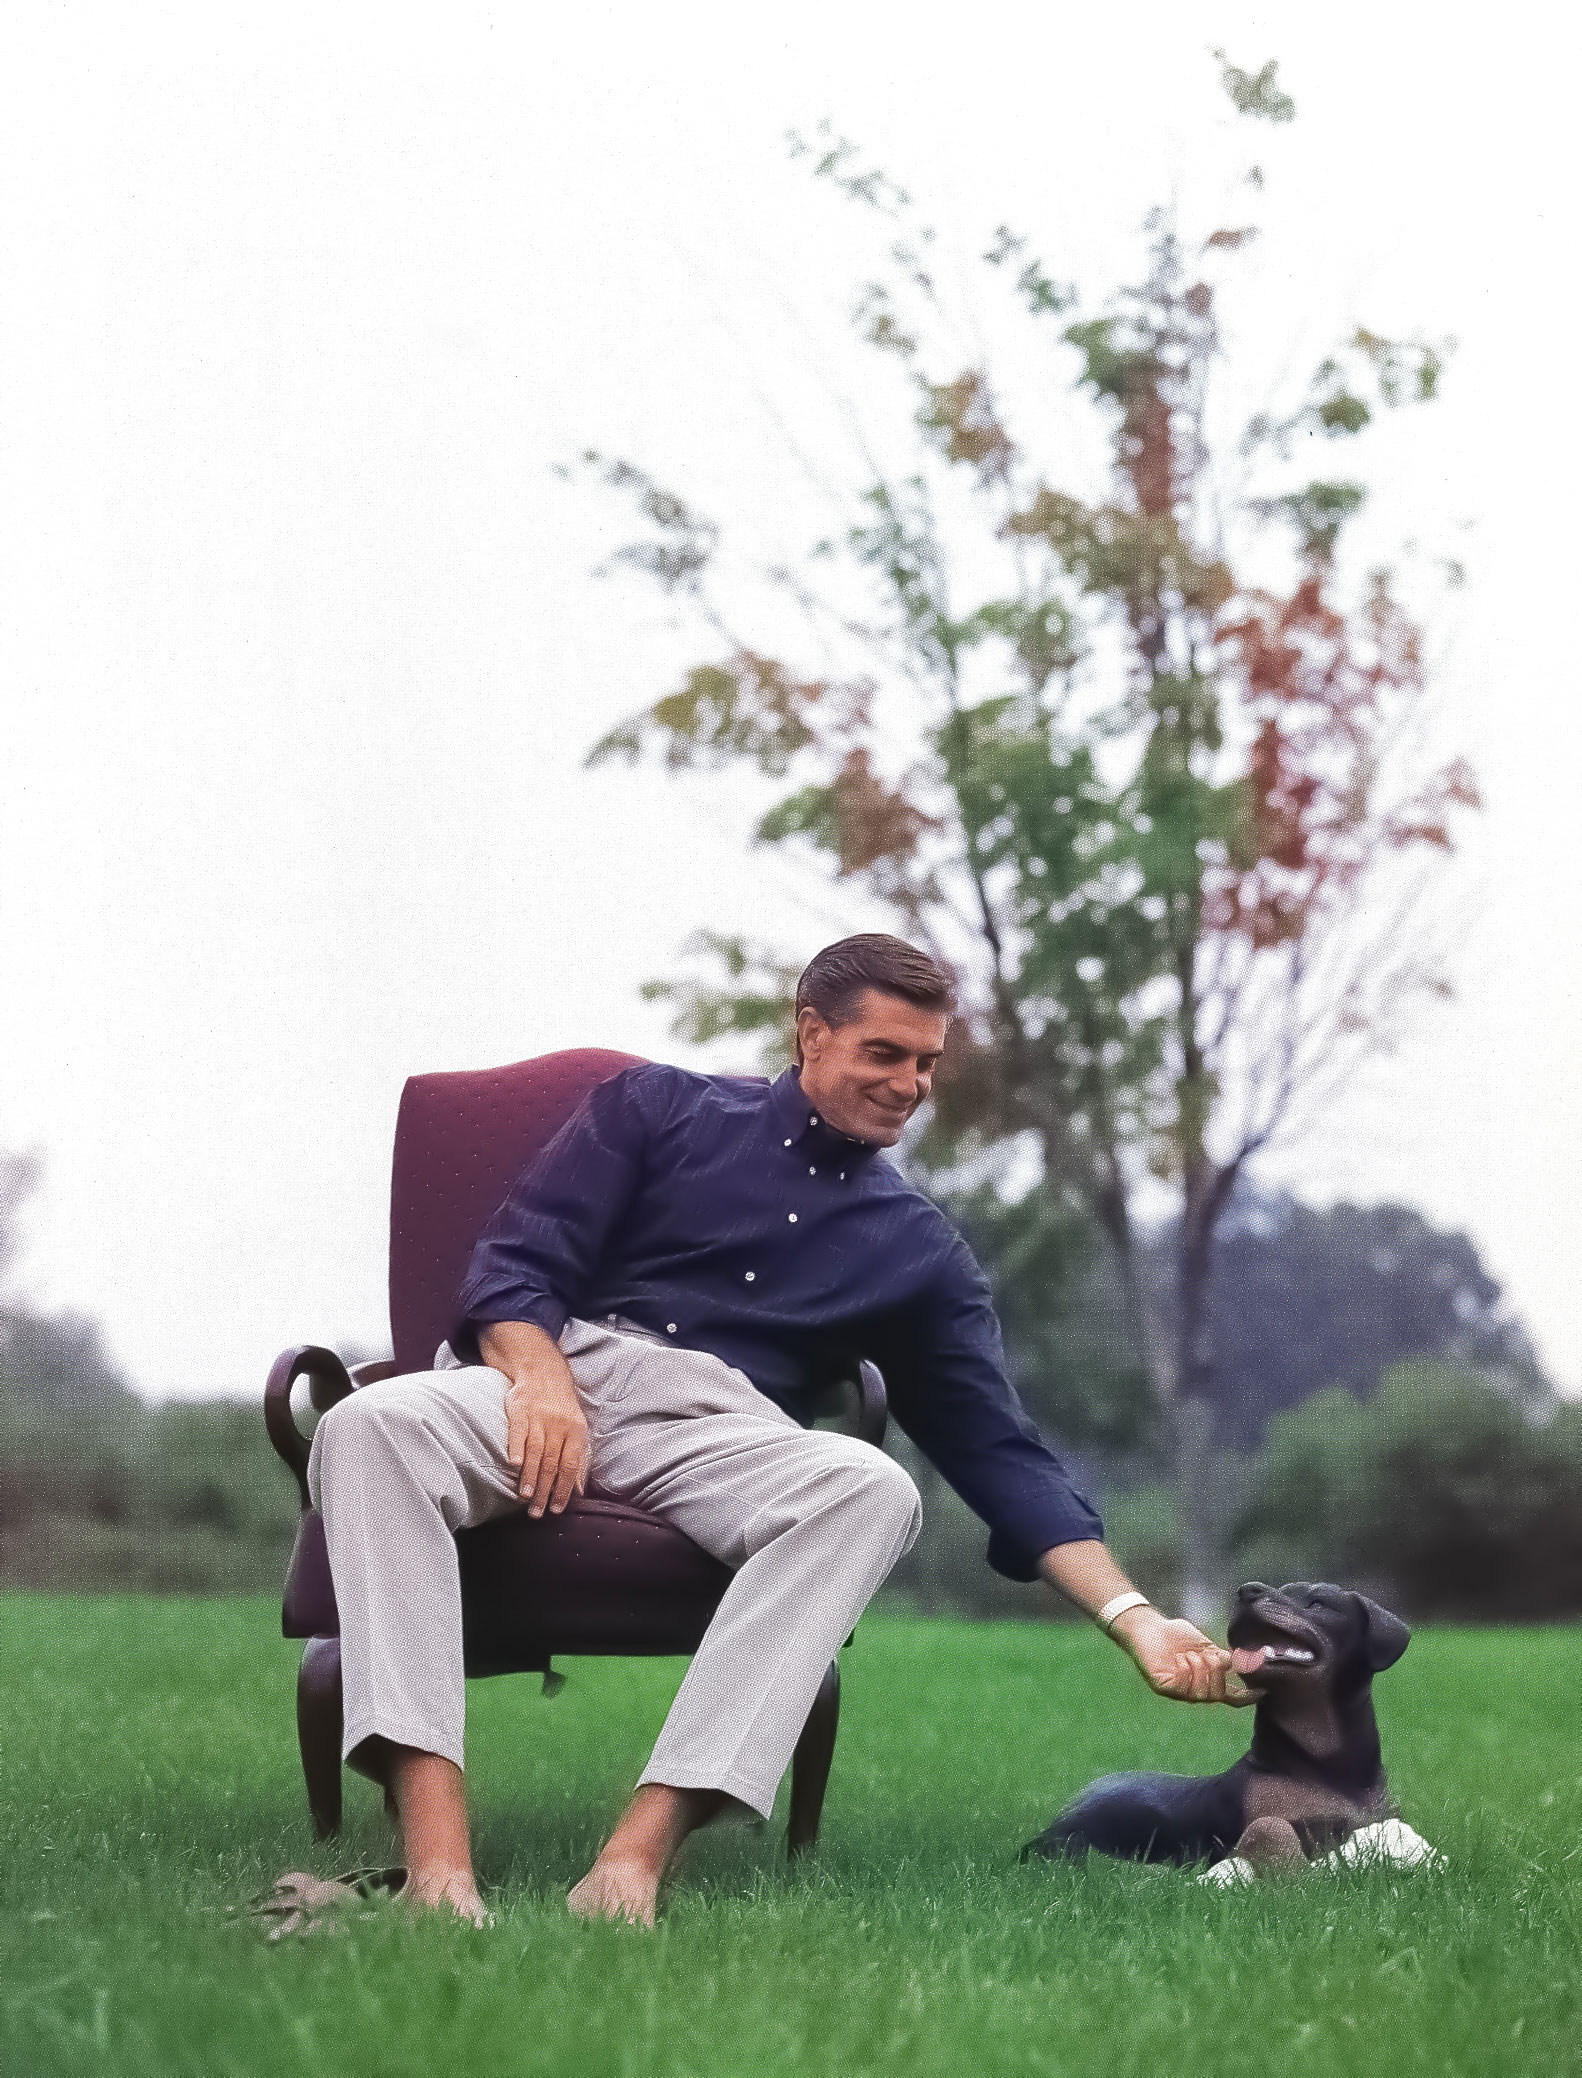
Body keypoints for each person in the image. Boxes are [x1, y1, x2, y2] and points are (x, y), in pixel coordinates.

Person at [308, 934, 1244, 1927]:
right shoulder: (656, 1107)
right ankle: (438, 1866)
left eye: (925, 1061)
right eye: (884, 1053)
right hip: (553, 1371)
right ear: (811, 1031)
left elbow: (997, 1449)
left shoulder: (916, 1249)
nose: (909, 1083)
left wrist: (1137, 1618)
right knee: (368, 1424)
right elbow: (516, 1258)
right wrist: (537, 1372)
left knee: (873, 1485)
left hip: (720, 1427)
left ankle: (635, 1856)